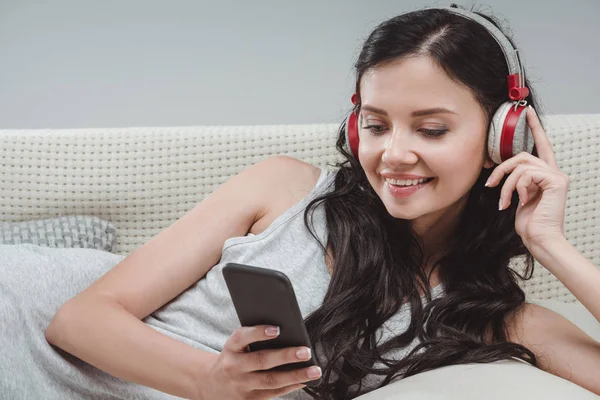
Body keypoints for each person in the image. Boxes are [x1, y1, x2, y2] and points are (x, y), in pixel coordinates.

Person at [40, 4, 600, 400]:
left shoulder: (497, 321)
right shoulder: (282, 187)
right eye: (376, 126)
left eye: (431, 130)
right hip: (37, 344)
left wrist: (552, 246)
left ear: (503, 141)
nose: (393, 155)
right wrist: (210, 381)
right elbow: (78, 320)